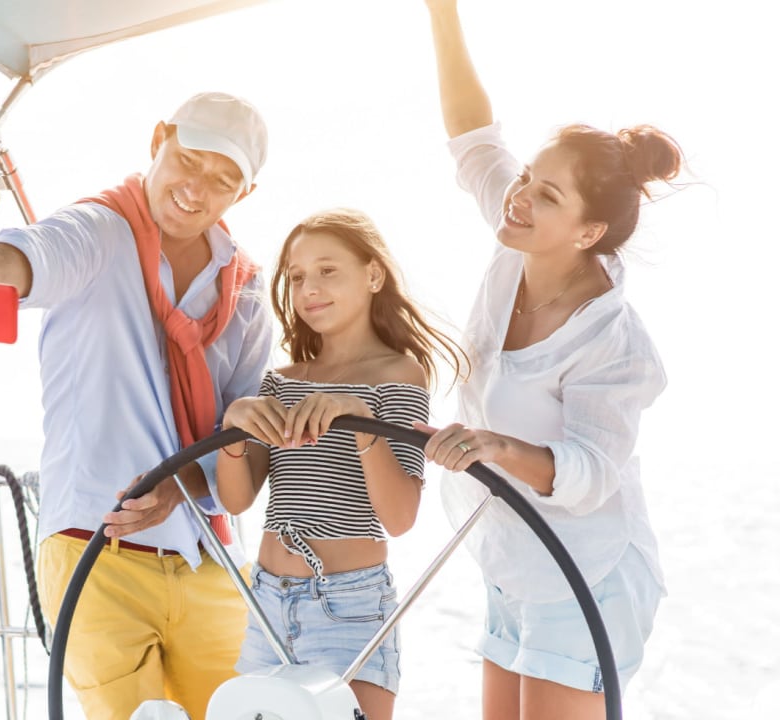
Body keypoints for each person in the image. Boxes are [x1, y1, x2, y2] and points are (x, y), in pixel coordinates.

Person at [0, 91, 273, 720]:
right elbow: (29, 254)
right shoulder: (101, 230)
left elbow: (244, 442)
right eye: (190, 160)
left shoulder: (247, 293)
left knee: (250, 710)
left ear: (242, 194)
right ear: (158, 138)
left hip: (209, 555)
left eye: (223, 179)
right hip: (94, 551)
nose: (198, 188)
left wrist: (177, 485)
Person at [418, 2, 685, 718]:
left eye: (547, 194)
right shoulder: (519, 241)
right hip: (512, 562)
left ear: (589, 230)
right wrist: (441, 10)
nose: (520, 196)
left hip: (587, 572)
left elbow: (592, 473)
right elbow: (473, 136)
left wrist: (498, 445)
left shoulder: (615, 344)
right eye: (528, 177)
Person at [216, 208, 466, 720]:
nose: (310, 287)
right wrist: (233, 429)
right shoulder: (282, 381)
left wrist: (363, 421)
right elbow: (237, 499)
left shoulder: (400, 375)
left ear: (373, 275)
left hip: (348, 609)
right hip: (264, 602)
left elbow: (398, 517)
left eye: (328, 270)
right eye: (298, 276)